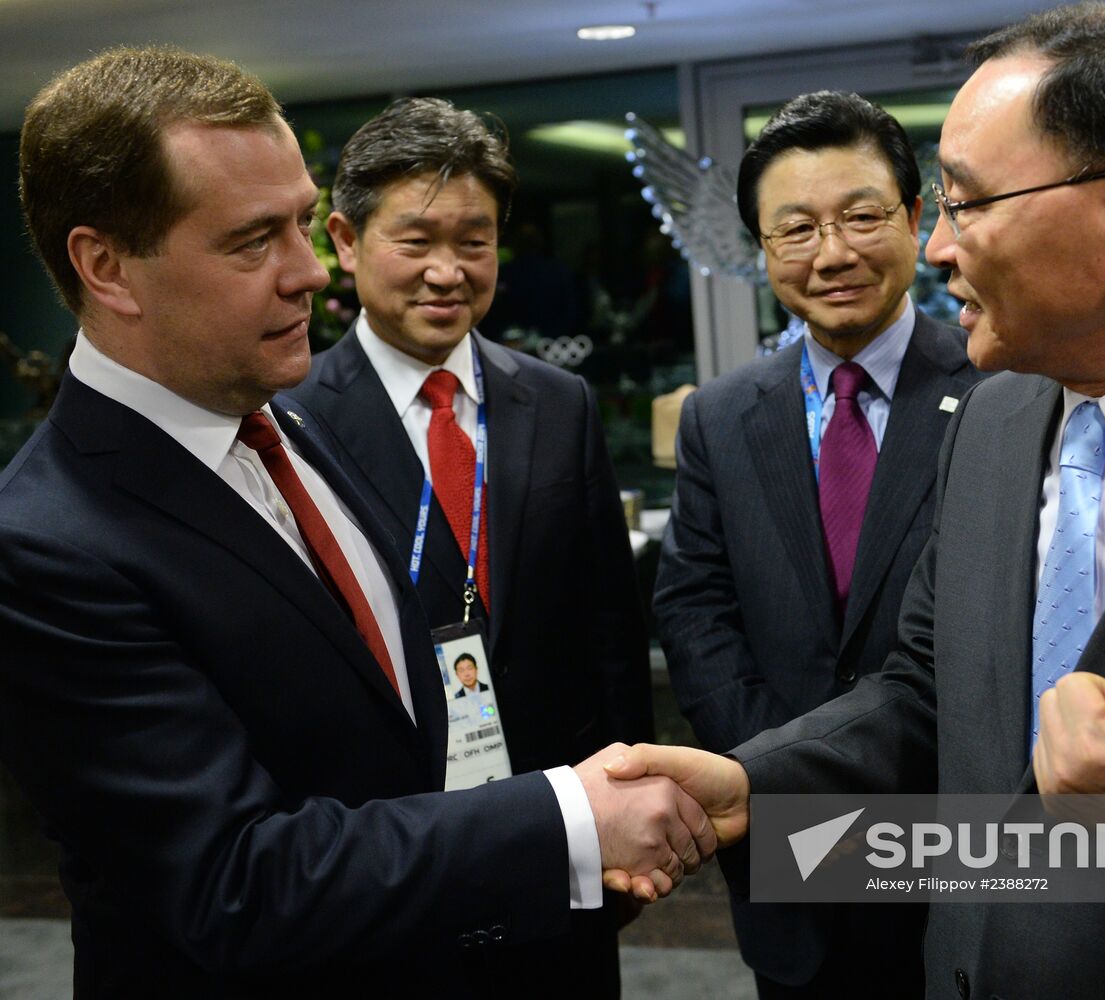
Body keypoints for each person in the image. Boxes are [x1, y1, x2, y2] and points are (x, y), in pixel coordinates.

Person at [607, 3, 1105, 997]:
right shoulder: (991, 423)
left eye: (965, 202)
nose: (933, 248)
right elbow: (927, 692)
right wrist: (756, 780)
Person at [0, 47, 709, 999]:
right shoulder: (45, 543)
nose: (310, 274)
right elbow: (232, 885)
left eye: (302, 224)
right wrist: (564, 820)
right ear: (106, 266)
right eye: (254, 242)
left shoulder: (283, 423)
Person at [288, 98, 654, 994]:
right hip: (387, 851)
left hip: (561, 836)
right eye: (415, 241)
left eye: (476, 240)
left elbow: (609, 627)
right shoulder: (290, 420)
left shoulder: (557, 402)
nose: (448, 272)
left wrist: (634, 796)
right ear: (345, 238)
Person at [651, 90, 980, 998]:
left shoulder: (999, 389)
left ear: (916, 219)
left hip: (952, 831)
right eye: (794, 229)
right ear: (763, 251)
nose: (832, 254)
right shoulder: (722, 415)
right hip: (782, 837)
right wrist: (780, 771)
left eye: (862, 217)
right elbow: (693, 606)